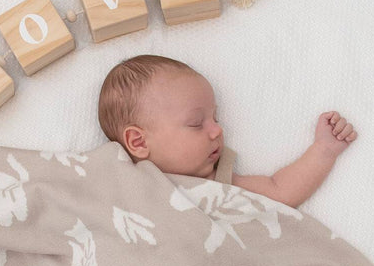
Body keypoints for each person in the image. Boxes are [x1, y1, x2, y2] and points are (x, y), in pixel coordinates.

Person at [98, 54, 357, 208]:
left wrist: (324, 149)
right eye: (196, 123)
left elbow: (280, 191)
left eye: (215, 118)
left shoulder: (217, 183)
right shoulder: (113, 182)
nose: (217, 130)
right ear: (138, 142)